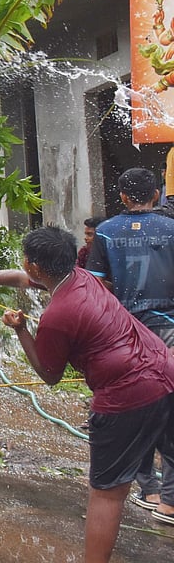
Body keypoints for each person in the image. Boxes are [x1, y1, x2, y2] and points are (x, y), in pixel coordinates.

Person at [0, 227, 174, 563]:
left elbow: (50, 374)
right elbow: (21, 278)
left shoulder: (58, 316)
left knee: (107, 494)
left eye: (27, 261)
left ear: (35, 266)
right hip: (165, 370)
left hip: (128, 392)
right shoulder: (80, 277)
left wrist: (21, 330)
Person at [85, 168, 174, 519]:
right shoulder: (172, 229)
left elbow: (95, 286)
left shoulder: (105, 232)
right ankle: (169, 500)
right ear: (156, 194)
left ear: (122, 196)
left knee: (136, 408)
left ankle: (147, 489)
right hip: (168, 331)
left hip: (126, 336)